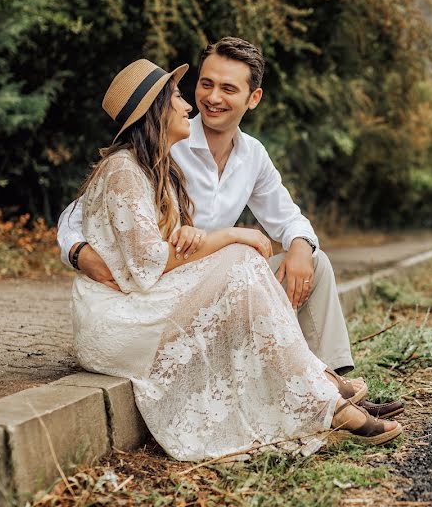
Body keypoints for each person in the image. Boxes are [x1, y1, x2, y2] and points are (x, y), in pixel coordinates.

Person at [71, 58, 401, 461]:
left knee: (309, 261)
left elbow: (283, 216)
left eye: (227, 89)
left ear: (253, 98)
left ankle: (325, 380)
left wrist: (298, 245)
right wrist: (78, 251)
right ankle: (326, 395)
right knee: (242, 256)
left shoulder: (191, 159)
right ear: (158, 109)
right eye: (195, 89)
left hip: (183, 281)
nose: (202, 101)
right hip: (139, 303)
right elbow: (84, 220)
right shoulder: (140, 160)